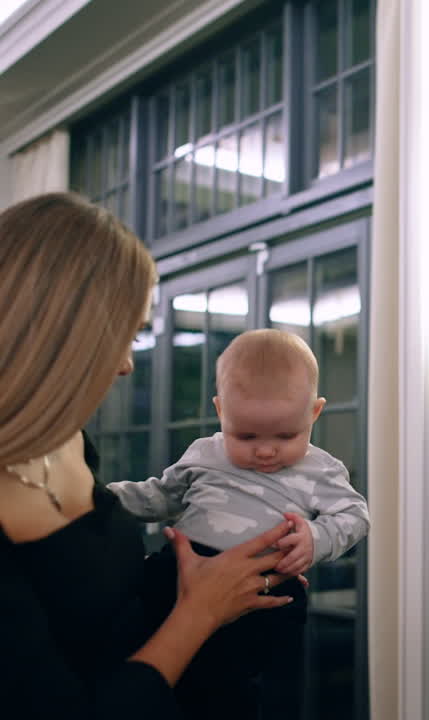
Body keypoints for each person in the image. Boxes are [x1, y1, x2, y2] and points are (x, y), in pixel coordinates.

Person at [0, 192, 298, 718]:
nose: (125, 367)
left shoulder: (69, 440)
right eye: (127, 336)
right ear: (61, 337)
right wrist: (200, 612)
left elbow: (99, 602)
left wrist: (229, 561)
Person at [108, 328, 371, 720]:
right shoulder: (205, 453)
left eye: (286, 435)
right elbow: (160, 495)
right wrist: (100, 500)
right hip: (178, 575)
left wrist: (315, 538)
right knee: (159, 676)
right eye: (245, 435)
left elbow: (355, 515)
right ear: (220, 411)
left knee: (252, 696)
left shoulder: (320, 469)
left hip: (264, 597)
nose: (265, 451)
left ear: (314, 412)